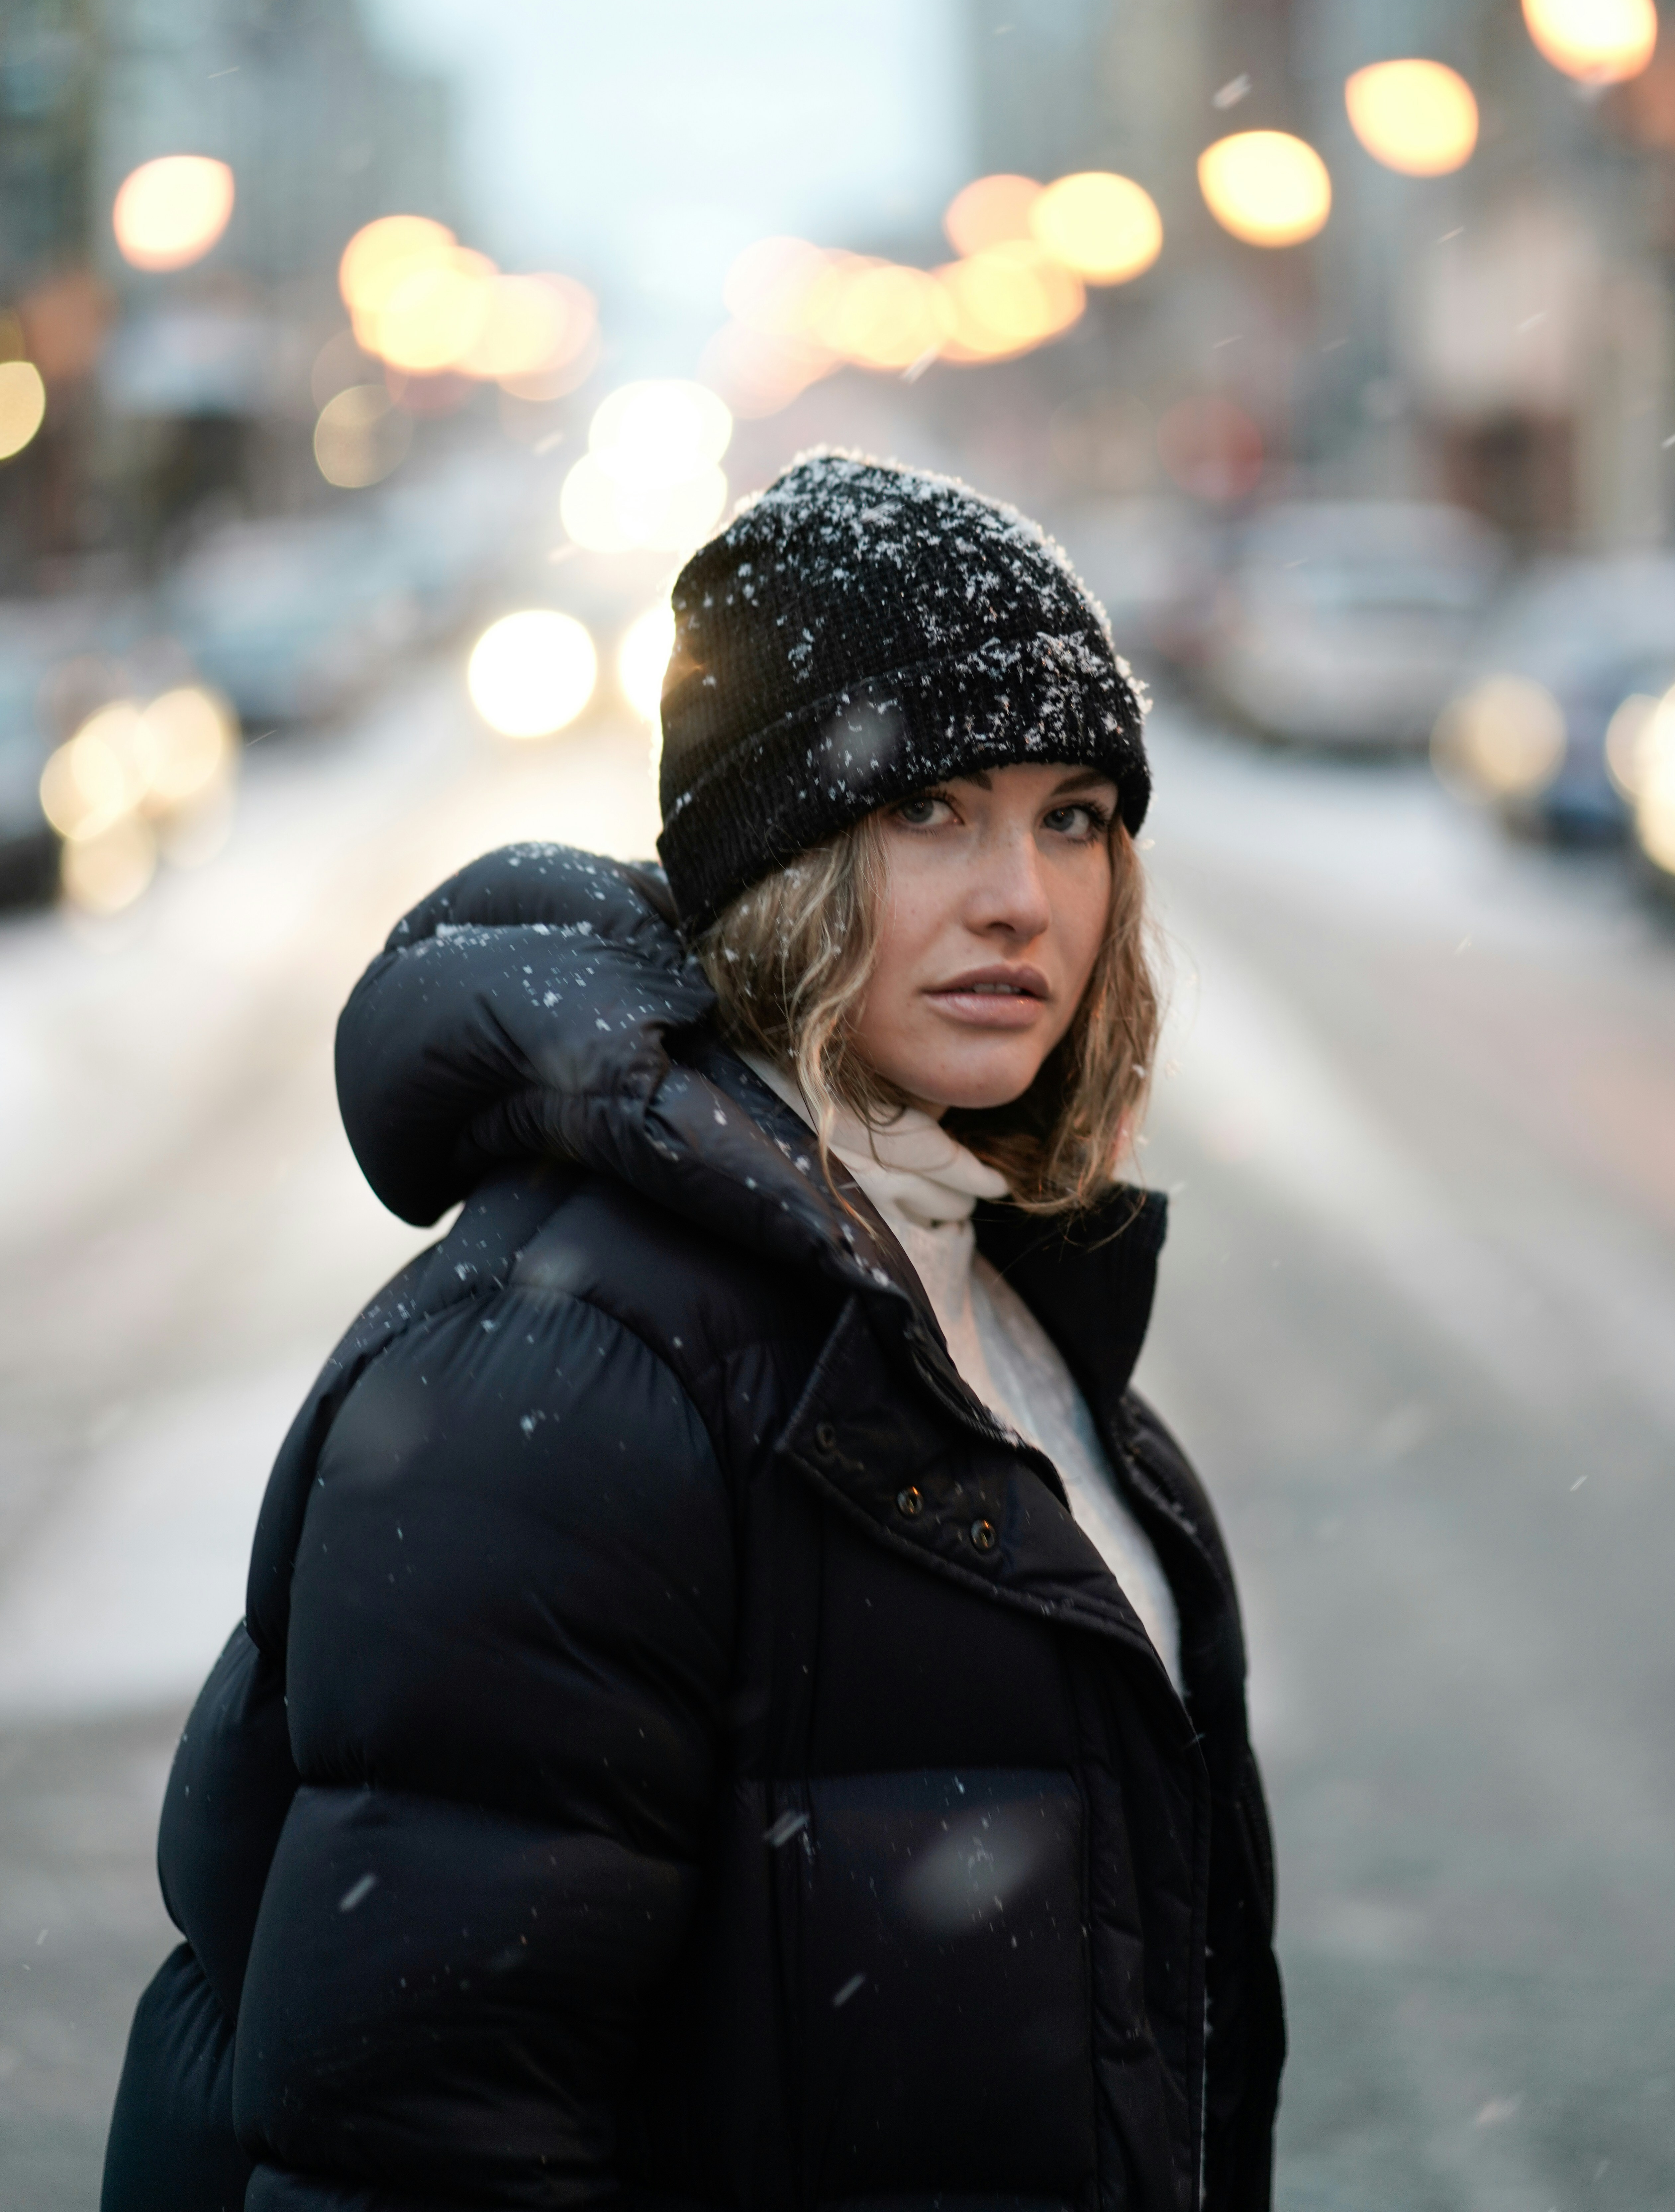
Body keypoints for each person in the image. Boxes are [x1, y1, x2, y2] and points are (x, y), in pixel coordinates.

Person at [103, 450, 1283, 2212]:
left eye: (1071, 818)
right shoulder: (565, 1372)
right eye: (929, 811)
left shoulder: (987, 1300)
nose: (1018, 899)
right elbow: (415, 2154)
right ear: (778, 858)